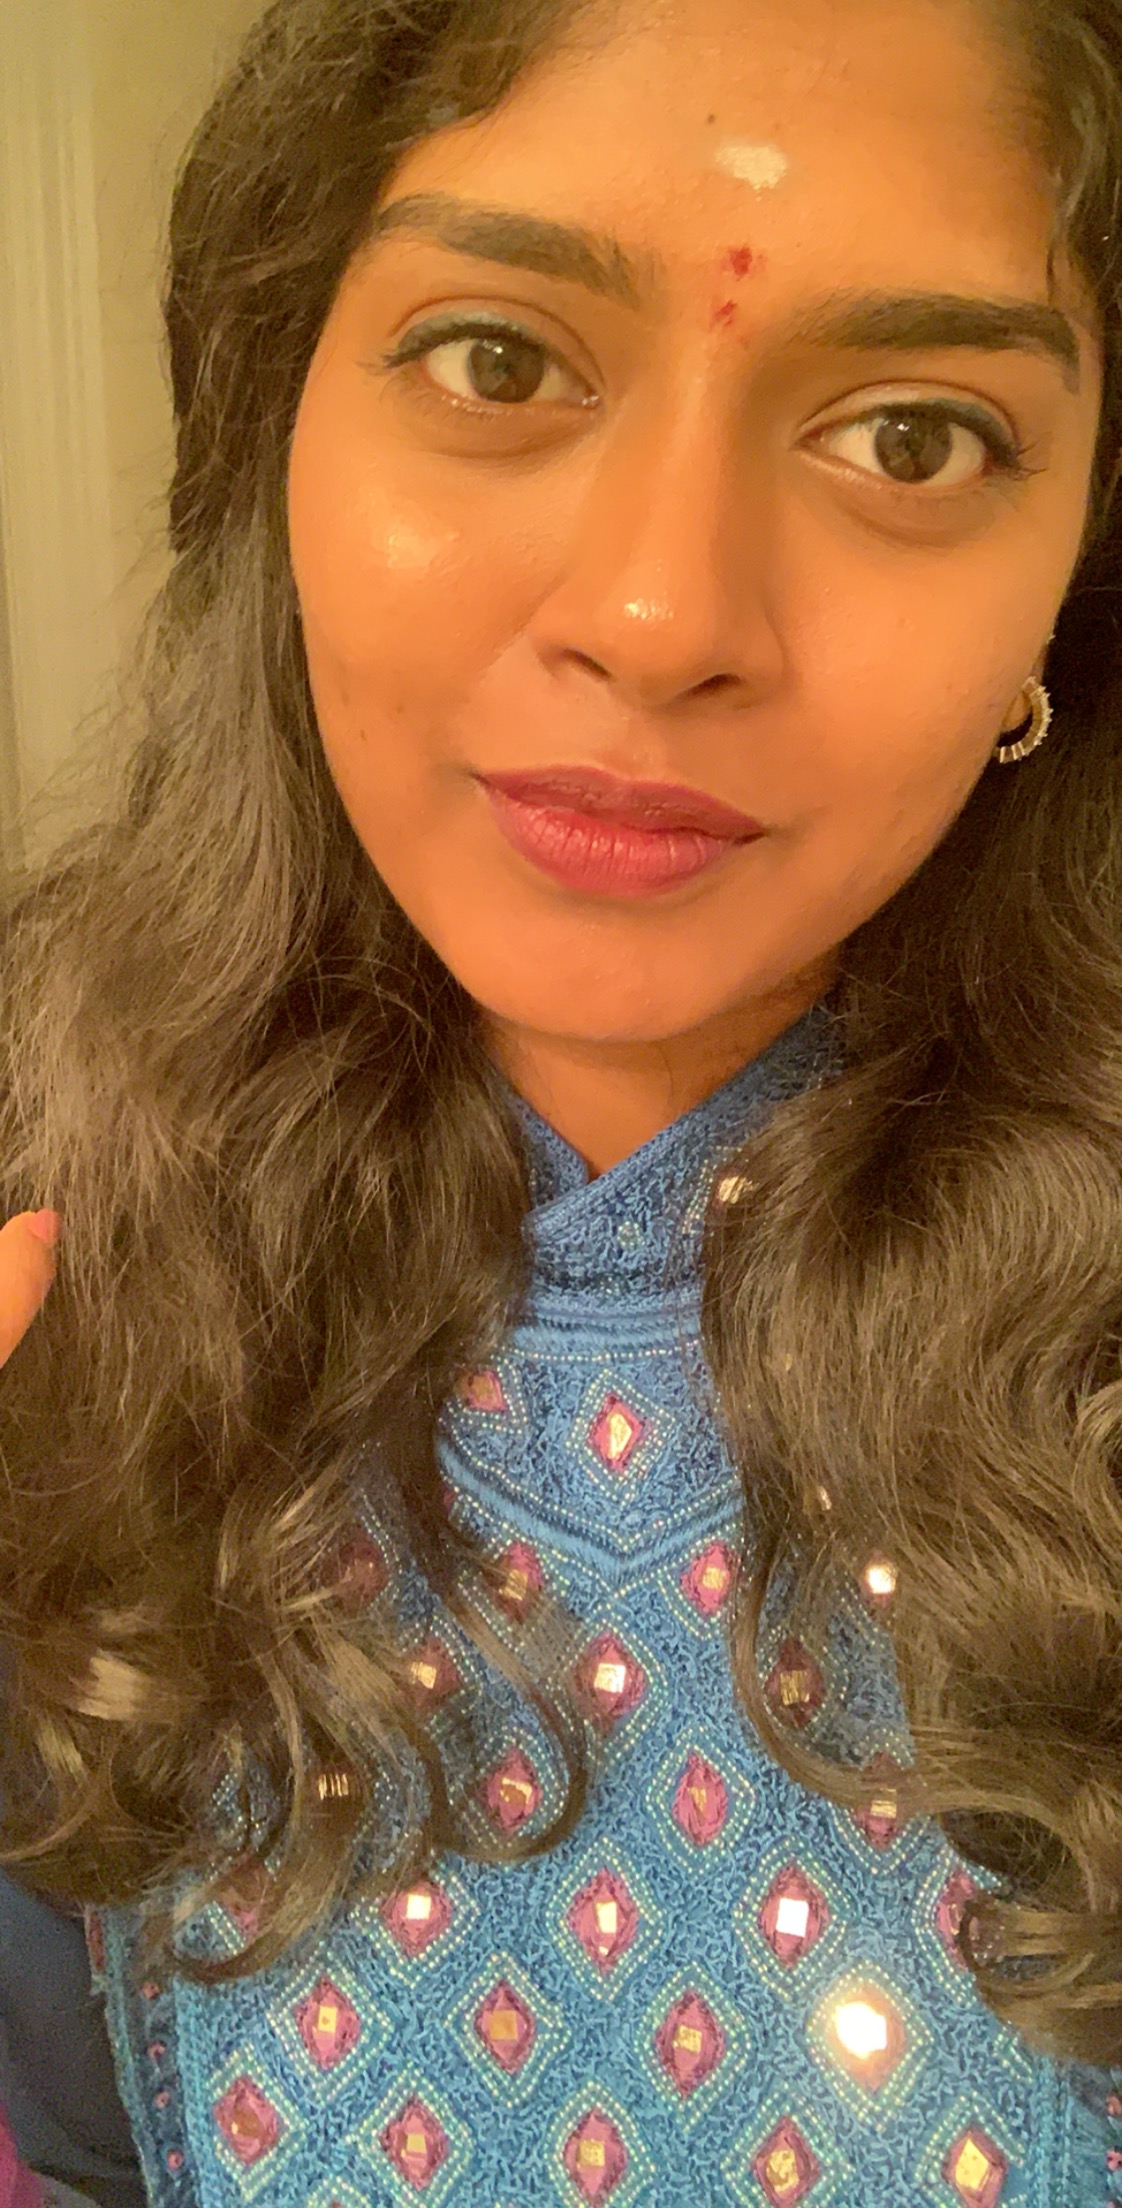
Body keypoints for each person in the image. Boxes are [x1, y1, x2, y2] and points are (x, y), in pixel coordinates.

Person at [2, 0, 1122, 2198]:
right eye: (498, 358)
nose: (658, 612)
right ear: (275, 434)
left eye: (911, 438)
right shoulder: (50, 1279)